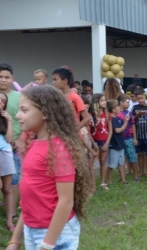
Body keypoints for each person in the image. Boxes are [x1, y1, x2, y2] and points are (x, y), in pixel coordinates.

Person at [6, 85, 90, 250]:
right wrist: (15, 239)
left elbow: (65, 202)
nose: (17, 115)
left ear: (45, 113)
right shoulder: (34, 144)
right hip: (32, 229)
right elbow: (29, 200)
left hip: (54, 235)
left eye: (24, 110)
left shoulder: (59, 149)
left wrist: (47, 244)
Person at [0, 63, 22, 224]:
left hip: (15, 144)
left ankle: (12, 212)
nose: (3, 80)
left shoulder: (19, 97)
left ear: (12, 79)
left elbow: (27, 119)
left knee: (13, 179)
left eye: (7, 77)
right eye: (0, 77)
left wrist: (21, 139)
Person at [89, 93, 113, 190]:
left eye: (104, 100)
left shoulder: (107, 114)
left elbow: (110, 129)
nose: (104, 102)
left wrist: (107, 142)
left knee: (103, 161)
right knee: (92, 162)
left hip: (104, 140)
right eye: (102, 100)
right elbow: (88, 131)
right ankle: (91, 182)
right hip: (94, 140)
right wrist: (94, 144)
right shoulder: (91, 115)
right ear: (96, 103)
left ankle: (102, 182)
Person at [0, 91, 16, 232]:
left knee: (7, 188)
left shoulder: (6, 118)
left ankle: (10, 220)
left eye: (3, 101)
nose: (0, 102)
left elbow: (9, 139)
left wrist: (9, 120)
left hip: (4, 152)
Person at [106, 100, 129, 185]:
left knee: (121, 163)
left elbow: (122, 128)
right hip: (114, 144)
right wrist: (124, 125)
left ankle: (123, 179)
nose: (119, 108)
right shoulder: (112, 119)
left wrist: (126, 121)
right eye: (117, 107)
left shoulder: (117, 118)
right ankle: (109, 180)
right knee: (112, 164)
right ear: (113, 109)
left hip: (120, 143)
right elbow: (118, 130)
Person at [117, 94, 139, 182]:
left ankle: (136, 176)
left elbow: (133, 125)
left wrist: (135, 138)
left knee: (132, 157)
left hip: (129, 138)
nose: (129, 104)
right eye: (127, 102)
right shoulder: (116, 114)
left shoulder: (129, 113)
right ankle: (122, 177)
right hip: (119, 139)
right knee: (121, 159)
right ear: (121, 103)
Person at [132, 89, 147, 178]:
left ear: (145, 97)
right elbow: (132, 121)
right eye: (138, 99)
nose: (140, 100)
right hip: (138, 135)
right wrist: (137, 115)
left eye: (142, 98)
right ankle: (141, 170)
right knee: (140, 154)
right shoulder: (135, 108)